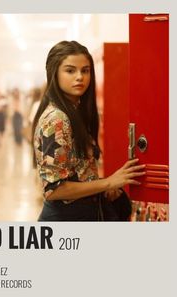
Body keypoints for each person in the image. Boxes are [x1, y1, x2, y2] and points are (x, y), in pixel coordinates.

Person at [32, 41, 145, 221]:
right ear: (54, 73)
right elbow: (54, 190)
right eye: (70, 70)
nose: (80, 77)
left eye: (85, 70)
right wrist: (108, 182)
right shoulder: (57, 119)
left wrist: (104, 188)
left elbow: (79, 171)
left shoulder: (76, 111)